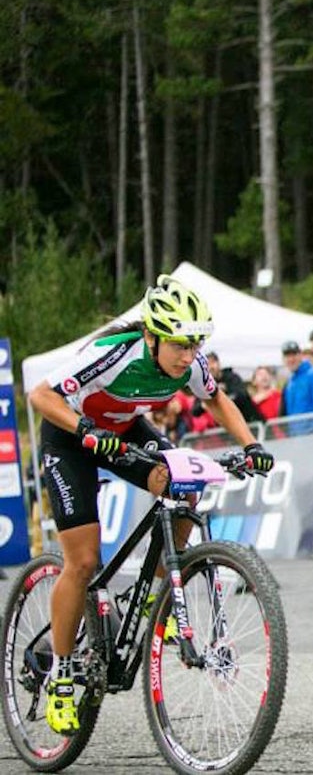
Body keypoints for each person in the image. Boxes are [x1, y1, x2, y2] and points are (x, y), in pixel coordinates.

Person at [27, 274, 273, 735]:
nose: (188, 354)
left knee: (183, 483)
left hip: (122, 431)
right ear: (152, 335)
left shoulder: (191, 364)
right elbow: (40, 395)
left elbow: (217, 399)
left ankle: (162, 591)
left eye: (195, 342)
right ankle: (61, 674)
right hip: (70, 436)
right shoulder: (114, 354)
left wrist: (250, 443)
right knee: (82, 563)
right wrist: (84, 431)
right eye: (179, 344)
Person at [279, 340, 313, 417]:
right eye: (287, 356)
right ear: (283, 359)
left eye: (294, 355)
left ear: (300, 356)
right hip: (295, 429)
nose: (291, 359)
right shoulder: (289, 384)